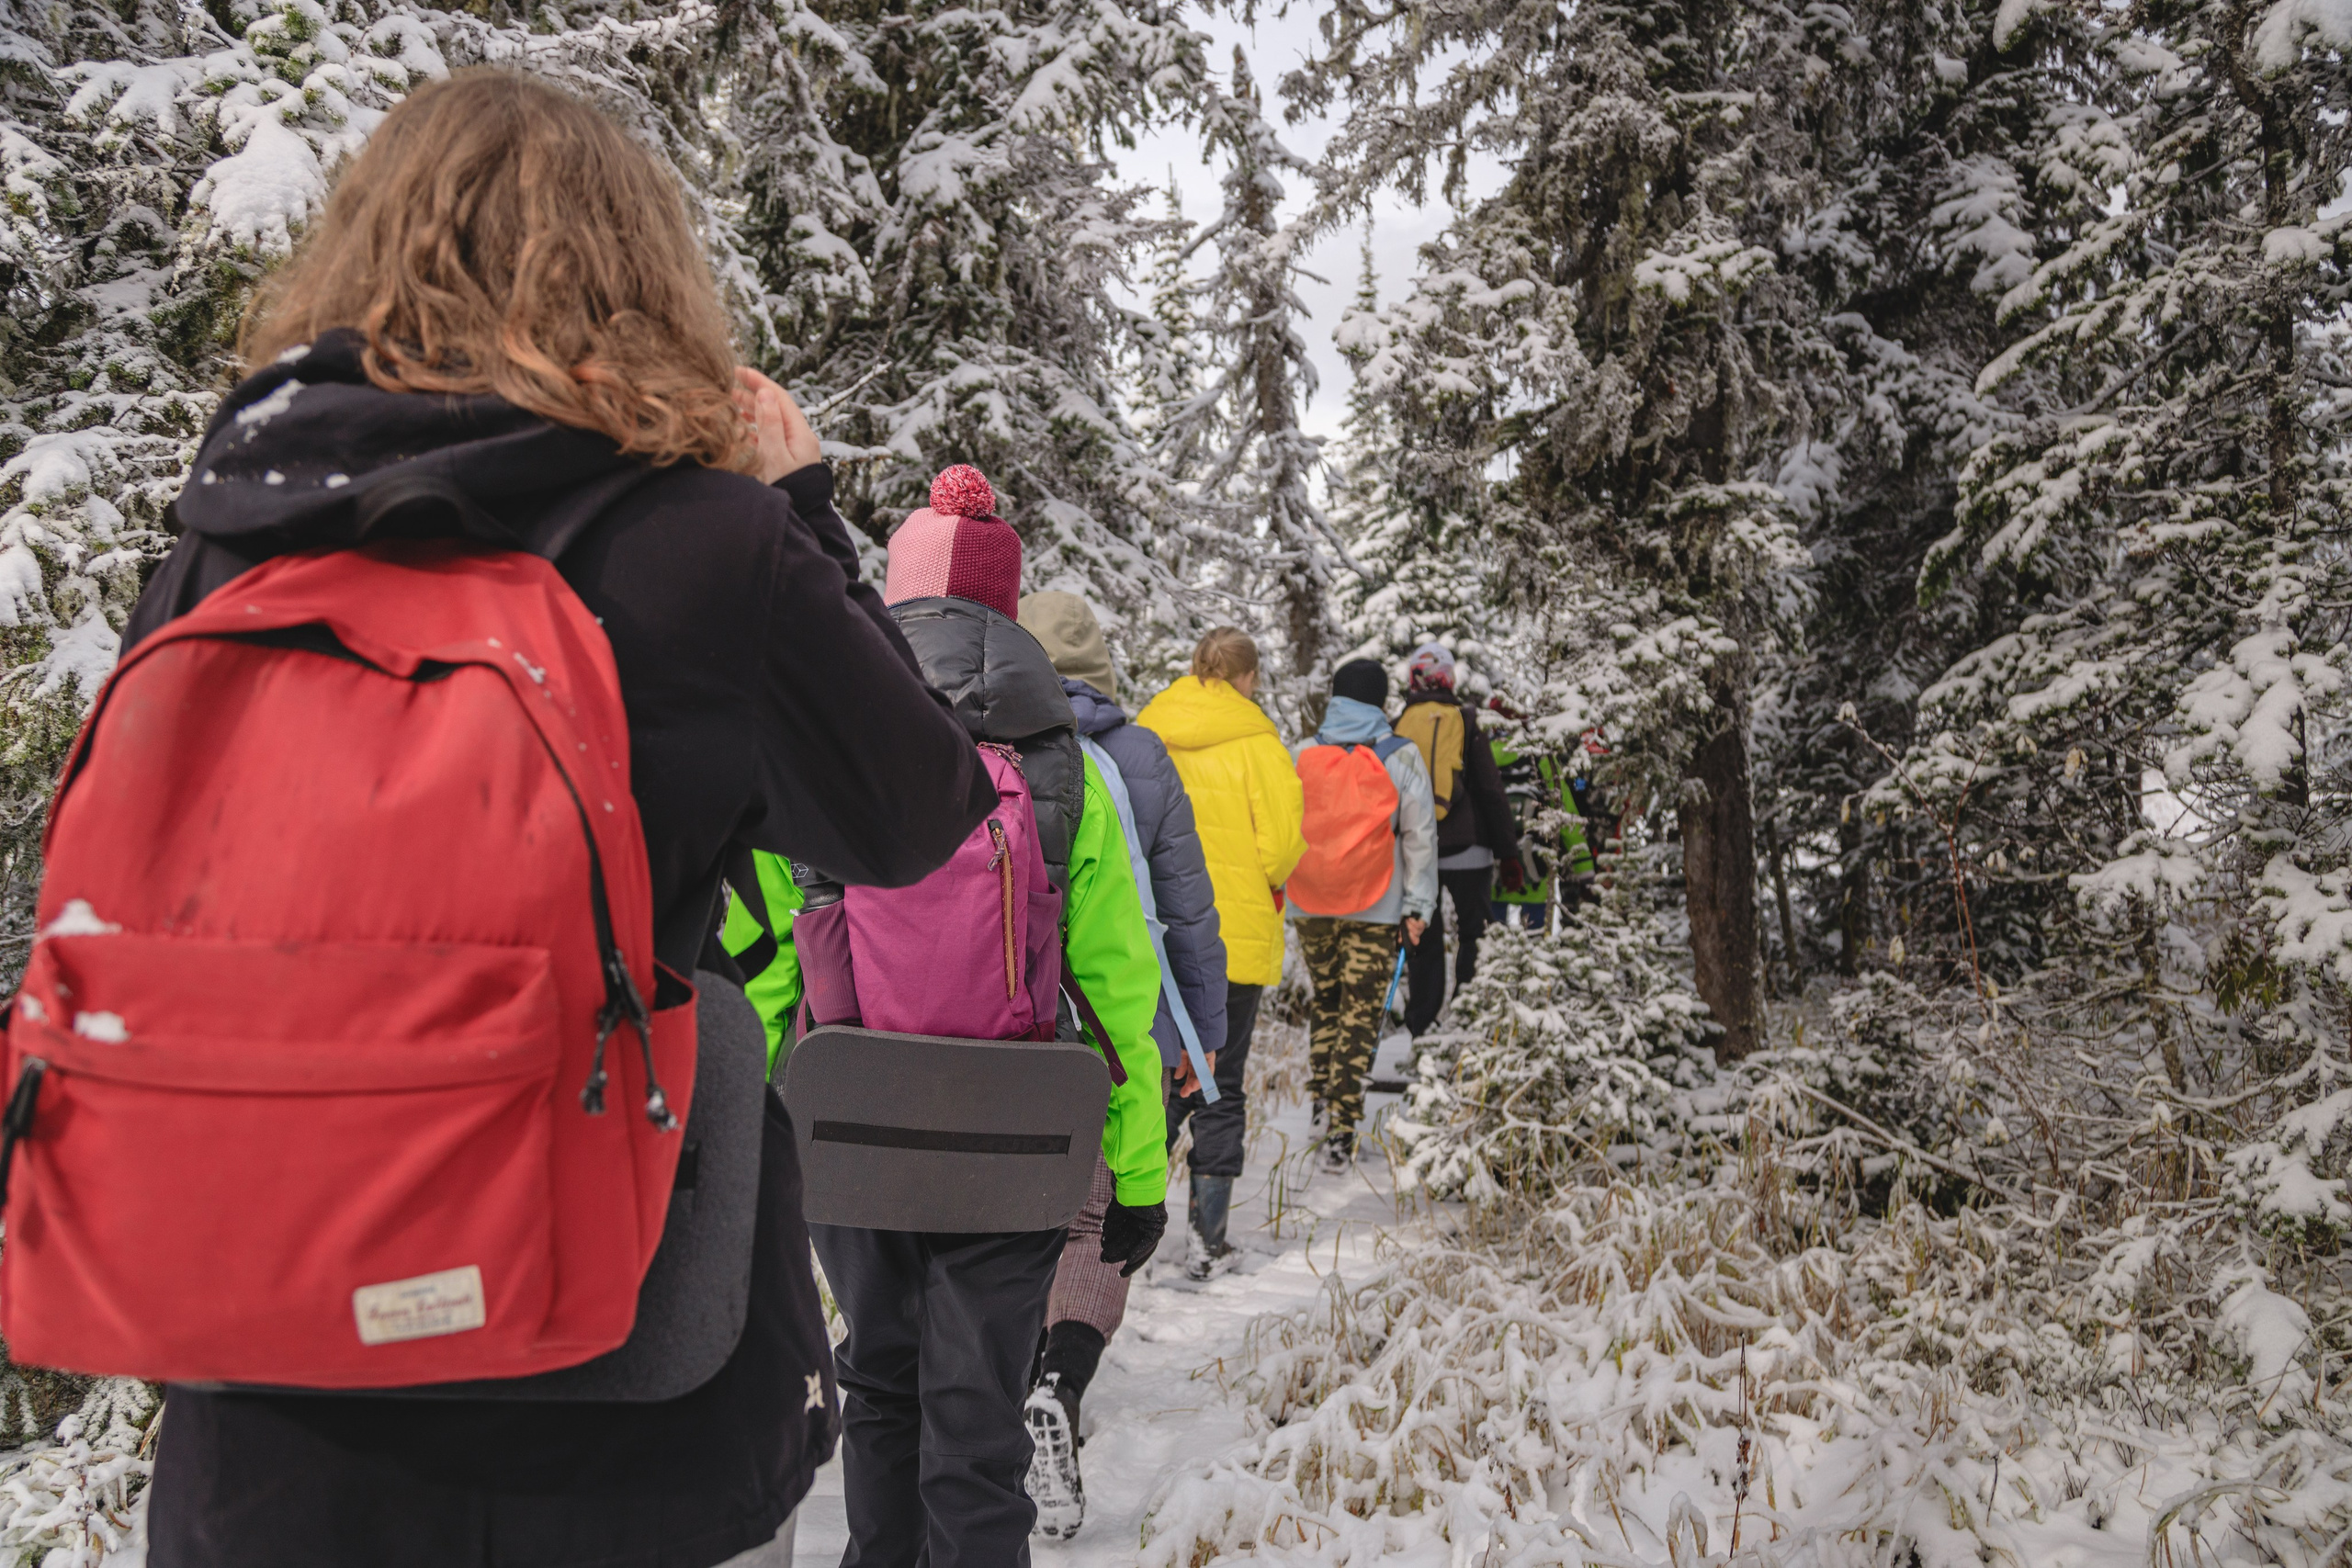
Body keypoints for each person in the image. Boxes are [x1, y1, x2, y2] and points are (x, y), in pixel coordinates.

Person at [129, 73, 995, 1568]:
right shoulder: (700, 547)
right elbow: (914, 811)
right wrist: (800, 511)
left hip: (276, 1415)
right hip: (631, 1390)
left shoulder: (226, 553)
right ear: (637, 278)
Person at [808, 468, 1170, 1568]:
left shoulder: (826, 736)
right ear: (1006, 610)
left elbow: (779, 955)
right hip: (1015, 1136)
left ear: (897, 592)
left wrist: (778, 1125)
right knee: (975, 1421)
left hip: (856, 1118)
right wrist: (1140, 1167)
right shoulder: (1071, 766)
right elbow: (1116, 991)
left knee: (878, 1388)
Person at [1012, 590, 1227, 1540]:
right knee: (1096, 1221)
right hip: (1120, 1031)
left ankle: (1013, 1390)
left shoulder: (986, 741)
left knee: (1018, 1219)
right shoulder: (1139, 756)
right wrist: (1203, 1035)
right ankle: (1060, 1381)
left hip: (1005, 1029)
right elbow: (1186, 908)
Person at [1136, 629, 1306, 1272]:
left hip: (1157, 933)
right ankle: (1209, 1236)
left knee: (1158, 1079)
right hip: (1232, 936)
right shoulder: (1260, 745)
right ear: (1249, 678)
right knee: (1220, 1082)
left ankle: (1131, 1223)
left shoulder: (1150, 728)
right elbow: (1279, 850)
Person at [1290, 659, 1437, 1172]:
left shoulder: (1302, 754)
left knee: (1326, 1000)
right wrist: (1419, 906)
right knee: (1361, 1013)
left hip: (1309, 901)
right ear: (1381, 701)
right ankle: (1342, 1130)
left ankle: (1319, 1107)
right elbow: (1420, 835)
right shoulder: (1400, 756)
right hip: (1378, 906)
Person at [1394, 645, 1522, 1037]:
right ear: (1449, 679)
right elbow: (1490, 791)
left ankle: (1422, 1022)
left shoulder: (1398, 722)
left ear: (1414, 677)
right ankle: (1469, 1016)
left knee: (1424, 938)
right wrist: (1509, 853)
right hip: (1470, 850)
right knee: (1474, 932)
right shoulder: (1465, 721)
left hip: (1418, 854)